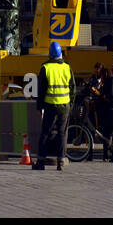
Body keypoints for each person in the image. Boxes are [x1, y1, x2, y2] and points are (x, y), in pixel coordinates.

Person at [34, 40, 75, 171]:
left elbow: (41, 90)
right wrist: (70, 104)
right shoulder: (67, 67)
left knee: (45, 133)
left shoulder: (45, 68)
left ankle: (41, 162)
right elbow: (73, 88)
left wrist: (39, 107)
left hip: (50, 106)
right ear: (61, 54)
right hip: (64, 107)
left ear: (50, 54)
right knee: (62, 134)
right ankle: (61, 162)